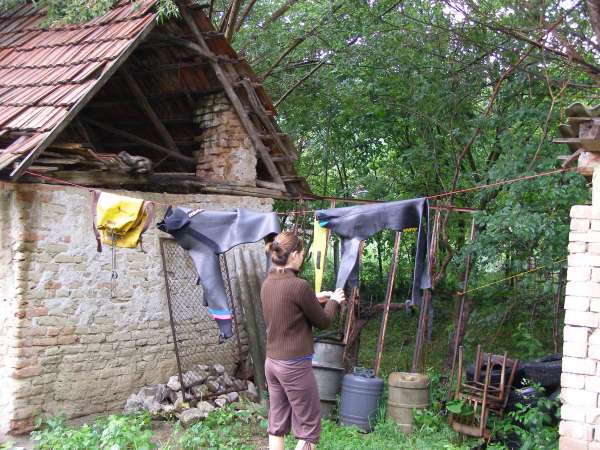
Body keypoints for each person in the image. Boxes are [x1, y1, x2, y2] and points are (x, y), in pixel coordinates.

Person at [261, 231, 345, 450]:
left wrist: (313, 298)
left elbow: (285, 307)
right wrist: (334, 301)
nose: (302, 258)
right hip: (294, 366)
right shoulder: (299, 286)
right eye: (302, 254)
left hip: (272, 363)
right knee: (309, 427)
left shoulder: (267, 283)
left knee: (277, 423)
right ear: (294, 254)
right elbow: (324, 321)